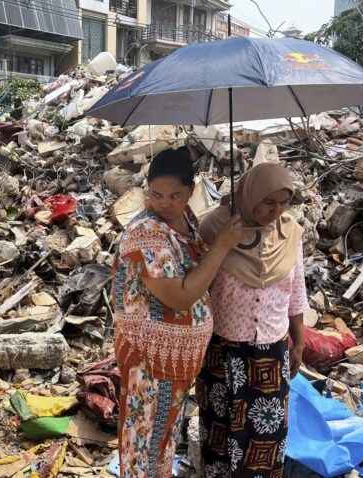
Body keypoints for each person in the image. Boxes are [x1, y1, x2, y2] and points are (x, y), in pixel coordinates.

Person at [112, 148, 242, 478]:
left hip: (178, 361)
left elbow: (197, 267)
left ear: (190, 191)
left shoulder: (185, 221)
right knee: (143, 442)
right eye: (156, 194)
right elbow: (180, 297)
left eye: (175, 195)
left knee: (164, 439)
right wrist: (223, 246)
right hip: (151, 360)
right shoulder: (146, 233)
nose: (164, 203)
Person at [198, 163, 309, 478]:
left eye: (283, 202)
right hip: (222, 351)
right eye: (267, 202)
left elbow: (296, 290)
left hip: (270, 354)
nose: (275, 211)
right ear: (249, 197)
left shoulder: (289, 233)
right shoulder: (216, 228)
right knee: (221, 434)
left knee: (265, 436)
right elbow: (197, 285)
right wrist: (223, 245)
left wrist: (298, 343)